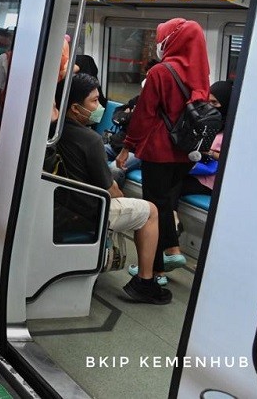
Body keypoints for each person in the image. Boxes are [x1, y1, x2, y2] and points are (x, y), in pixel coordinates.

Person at [56, 73, 172, 301]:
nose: (99, 106)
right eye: (94, 101)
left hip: (61, 202)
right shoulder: (90, 139)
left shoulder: (53, 130)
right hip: (87, 208)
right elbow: (110, 190)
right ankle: (145, 283)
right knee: (151, 211)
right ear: (75, 108)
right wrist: (119, 194)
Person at [116, 18, 210, 280]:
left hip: (159, 151)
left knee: (152, 210)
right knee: (166, 202)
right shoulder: (201, 73)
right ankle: (171, 251)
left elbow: (143, 116)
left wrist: (127, 148)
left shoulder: (160, 72)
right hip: (186, 153)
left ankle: (155, 269)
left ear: (173, 40)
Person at [181, 80, 233, 196]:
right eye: (208, 102)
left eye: (215, 103)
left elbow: (229, 159)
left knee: (175, 186)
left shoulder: (231, 131)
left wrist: (208, 152)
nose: (210, 107)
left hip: (211, 179)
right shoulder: (207, 122)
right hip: (197, 171)